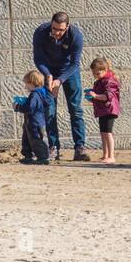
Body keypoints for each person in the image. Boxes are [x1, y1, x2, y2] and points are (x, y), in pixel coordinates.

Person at [32, 11, 90, 162]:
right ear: (51, 24)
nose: (57, 33)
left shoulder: (76, 36)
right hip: (49, 71)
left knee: (75, 109)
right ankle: (54, 147)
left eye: (61, 30)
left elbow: (75, 63)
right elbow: (38, 58)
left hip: (69, 71)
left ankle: (80, 147)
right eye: (54, 28)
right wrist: (48, 75)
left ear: (67, 27)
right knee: (50, 110)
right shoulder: (40, 32)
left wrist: (60, 80)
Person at [14, 70, 53, 165]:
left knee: (36, 140)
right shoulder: (40, 94)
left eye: (26, 84)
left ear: (32, 83)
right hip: (31, 122)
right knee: (27, 139)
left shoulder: (35, 94)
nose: (25, 86)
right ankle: (28, 156)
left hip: (35, 123)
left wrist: (18, 107)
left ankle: (43, 157)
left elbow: (30, 108)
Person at [88, 57, 121, 164]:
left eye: (98, 73)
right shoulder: (100, 81)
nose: (96, 76)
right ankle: (105, 155)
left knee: (108, 133)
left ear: (105, 70)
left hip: (109, 109)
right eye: (94, 74)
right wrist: (93, 96)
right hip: (103, 110)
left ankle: (111, 156)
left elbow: (108, 96)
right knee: (103, 133)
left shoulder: (109, 81)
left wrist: (95, 96)